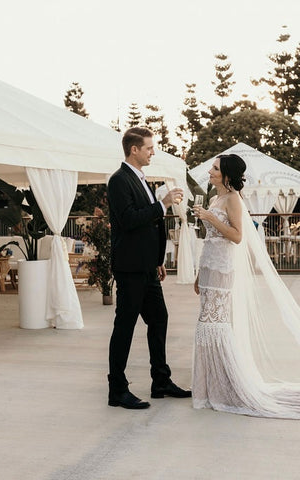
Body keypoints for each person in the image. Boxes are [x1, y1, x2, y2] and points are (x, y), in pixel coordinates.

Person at [192, 153, 300, 419]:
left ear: (227, 174)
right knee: (206, 324)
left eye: (215, 169)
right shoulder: (214, 198)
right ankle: (208, 386)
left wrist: (211, 218)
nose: (210, 172)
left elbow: (237, 236)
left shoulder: (233, 200)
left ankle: (226, 385)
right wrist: (198, 274)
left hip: (223, 268)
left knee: (213, 325)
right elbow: (210, 239)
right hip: (208, 266)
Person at [107, 126, 191, 410]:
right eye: (149, 148)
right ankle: (117, 389)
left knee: (159, 319)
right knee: (125, 327)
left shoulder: (142, 179)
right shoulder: (119, 181)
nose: (153, 151)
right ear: (134, 149)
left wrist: (157, 260)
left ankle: (160, 381)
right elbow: (130, 220)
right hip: (130, 268)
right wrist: (162, 203)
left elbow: (150, 226)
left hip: (147, 267)